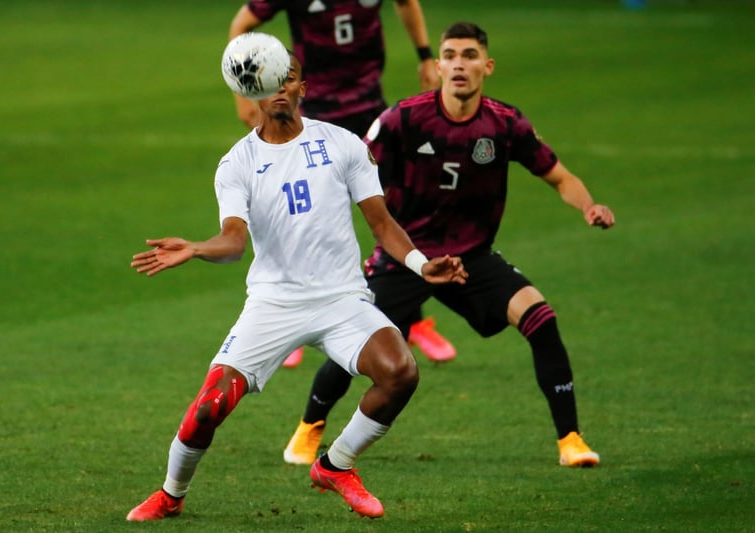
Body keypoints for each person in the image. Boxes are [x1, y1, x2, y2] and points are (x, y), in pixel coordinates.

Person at [125, 53, 467, 522]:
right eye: (269, 81)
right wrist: (198, 248)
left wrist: (421, 265)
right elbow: (233, 243)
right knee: (207, 409)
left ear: (303, 86)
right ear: (253, 92)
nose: (280, 88)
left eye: (289, 79)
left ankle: (336, 465)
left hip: (342, 299)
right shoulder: (237, 164)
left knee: (400, 372)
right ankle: (171, 494)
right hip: (274, 303)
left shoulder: (343, 144)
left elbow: (382, 224)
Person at [283, 21, 615, 468]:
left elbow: (558, 176)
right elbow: (351, 166)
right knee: (359, 348)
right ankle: (309, 428)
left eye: (470, 56)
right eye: (451, 56)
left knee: (542, 320)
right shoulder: (403, 118)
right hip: (407, 257)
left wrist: (588, 206)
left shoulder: (506, 123)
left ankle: (571, 440)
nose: (460, 64)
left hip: (471, 258)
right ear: (437, 65)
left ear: (487, 66)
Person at [229, 0, 456, 367]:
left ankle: (412, 320)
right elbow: (241, 26)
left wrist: (426, 55)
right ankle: (287, 324)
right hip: (308, 112)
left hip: (370, 109)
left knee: (397, 212)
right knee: (298, 215)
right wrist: (245, 93)